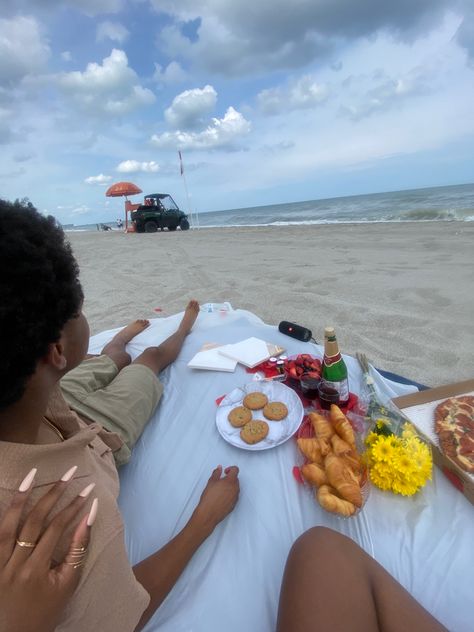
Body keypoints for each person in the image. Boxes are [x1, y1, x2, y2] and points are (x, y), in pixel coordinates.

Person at [0, 198, 240, 631]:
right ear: (54, 349)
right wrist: (203, 518)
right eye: (78, 310)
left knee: (108, 356)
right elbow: (127, 610)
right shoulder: (64, 514)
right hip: (99, 424)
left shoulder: (24, 382)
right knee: (148, 359)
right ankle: (184, 327)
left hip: (49, 399)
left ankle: (121, 341)